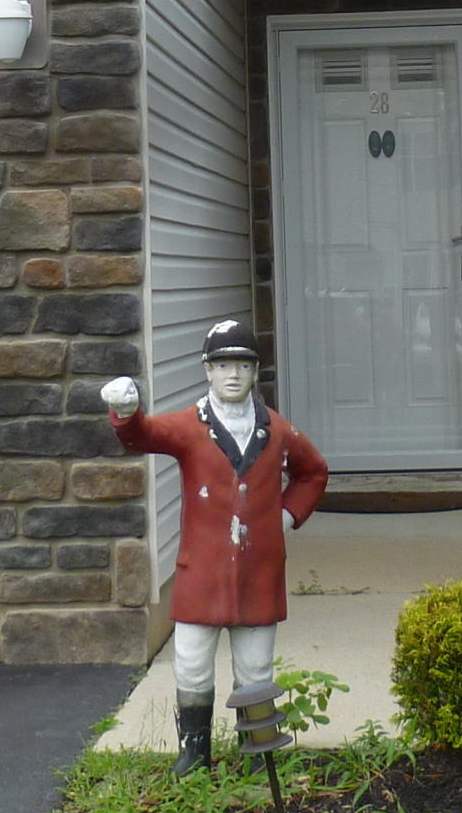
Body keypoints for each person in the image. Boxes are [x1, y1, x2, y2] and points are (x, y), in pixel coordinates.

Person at [98, 318, 328, 774]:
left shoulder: (277, 430)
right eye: (222, 364)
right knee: (192, 664)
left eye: (242, 365)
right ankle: (194, 752)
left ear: (256, 371)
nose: (232, 375)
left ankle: (260, 751)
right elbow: (143, 435)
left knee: (256, 669)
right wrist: (125, 413)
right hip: (201, 572)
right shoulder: (189, 425)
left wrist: (283, 518)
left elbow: (314, 472)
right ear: (207, 370)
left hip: (258, 572)